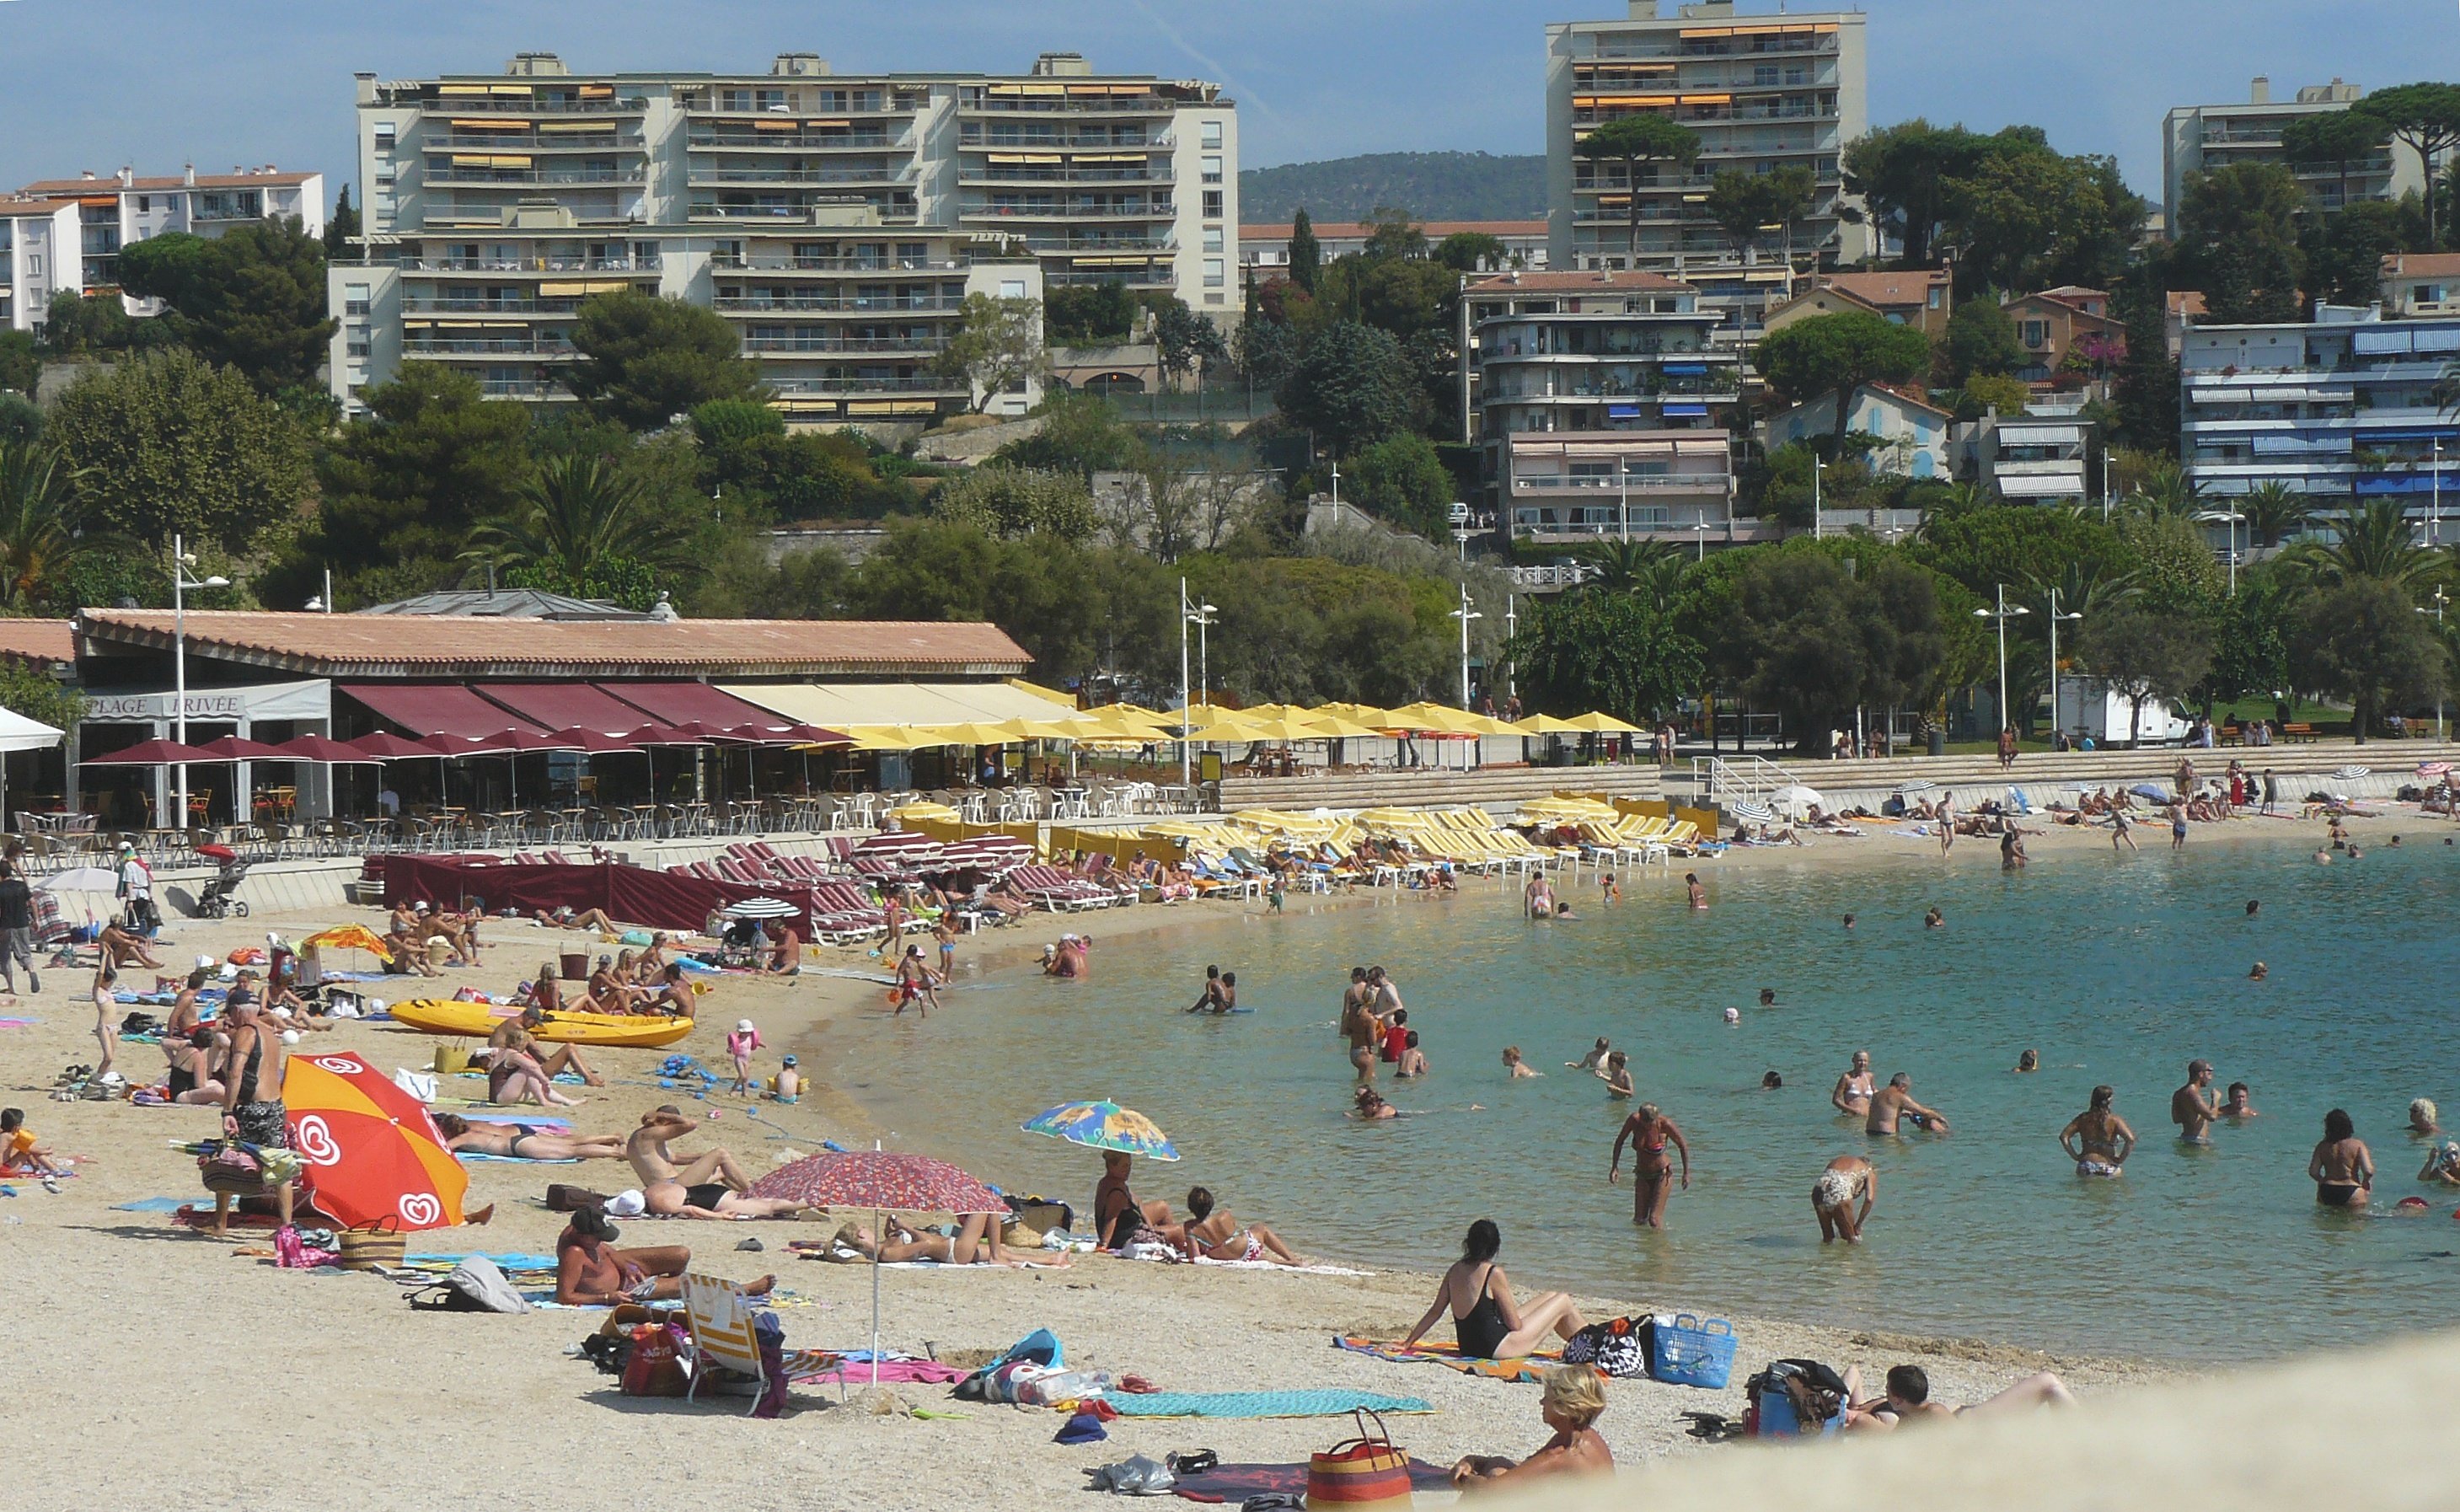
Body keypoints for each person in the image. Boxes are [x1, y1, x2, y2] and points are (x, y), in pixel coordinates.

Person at [1402, 1220, 1588, 1360]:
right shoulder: (1493, 1273)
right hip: (1498, 1349)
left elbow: (1435, 1312)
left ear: (1468, 1243)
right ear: (1495, 1247)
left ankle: (1588, 1344)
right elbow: (1515, 1325)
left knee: (1550, 1296)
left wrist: (1407, 1343)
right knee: (1562, 1300)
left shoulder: (1455, 1270)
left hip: (1470, 1347)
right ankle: (1593, 1346)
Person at [1449, 1365, 1614, 1491]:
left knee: (1495, 1475)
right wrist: (1473, 1461)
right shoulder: (1586, 1438)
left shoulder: (1563, 1453)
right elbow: (1528, 1467)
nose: (1541, 1402)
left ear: (1562, 1408)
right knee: (1498, 1464)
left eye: (1546, 1398)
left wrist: (1462, 1478)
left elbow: (1490, 1490)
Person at [216, 995, 293, 1233]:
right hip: (275, 1105)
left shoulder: (246, 1033)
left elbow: (235, 1073)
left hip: (253, 1107)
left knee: (227, 1159)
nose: (229, 1018)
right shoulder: (270, 1032)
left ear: (239, 1010)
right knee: (280, 1165)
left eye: (231, 1012)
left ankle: (220, 1224)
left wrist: (227, 1110)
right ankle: (287, 1227)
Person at [1845, 1364, 2075, 1429]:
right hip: (1976, 1421)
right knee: (2046, 1384)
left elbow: (1960, 1441)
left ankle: (2083, 1431)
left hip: (1979, 1419)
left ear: (1898, 1399)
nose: (1884, 1392)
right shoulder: (1907, 1417)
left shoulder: (1933, 1412)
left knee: (2048, 1382)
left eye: (1887, 1389)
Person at [553, 1207, 703, 1306]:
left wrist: (626, 1267)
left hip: (621, 1267)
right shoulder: (574, 1253)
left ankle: (667, 1288)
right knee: (690, 1283)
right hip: (625, 1289)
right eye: (598, 1238)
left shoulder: (580, 1231)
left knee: (681, 1254)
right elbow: (564, 1296)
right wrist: (606, 1298)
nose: (601, 1241)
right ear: (583, 1236)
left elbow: (608, 1251)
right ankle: (668, 1288)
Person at [1179, 1185, 1308, 1264]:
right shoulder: (1225, 1215)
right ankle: (1292, 1259)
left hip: (1227, 1257)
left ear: (1191, 1208)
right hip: (1247, 1247)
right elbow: (1235, 1233)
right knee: (1260, 1228)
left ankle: (1286, 1263)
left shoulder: (1191, 1229)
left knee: (1257, 1257)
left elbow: (1195, 1257)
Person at [1611, 1102, 1691, 1226]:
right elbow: (1620, 1141)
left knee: (1654, 1220)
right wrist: (1615, 1167)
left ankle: (1661, 1245)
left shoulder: (1665, 1125)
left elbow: (1682, 1145)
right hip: (1642, 1174)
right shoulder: (1634, 1121)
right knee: (1639, 1221)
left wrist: (1686, 1173)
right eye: (1645, 1123)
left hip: (1662, 1174)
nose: (1648, 1127)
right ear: (1640, 1118)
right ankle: (1643, 1245)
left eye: (1651, 1123)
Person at [434, 1113, 624, 1161]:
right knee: (570, 1142)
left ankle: (616, 1153)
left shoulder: (464, 1138)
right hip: (517, 1131)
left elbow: (443, 1149)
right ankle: (610, 1137)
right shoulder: (470, 1124)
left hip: (518, 1146)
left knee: (571, 1151)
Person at [1094, 1150, 1179, 1249]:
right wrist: (1104, 1245)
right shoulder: (1116, 1193)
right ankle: (1176, 1246)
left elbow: (1138, 1203)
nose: (1128, 1170)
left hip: (1130, 1224)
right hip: (1126, 1239)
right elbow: (1110, 1220)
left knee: (1163, 1207)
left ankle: (1167, 1244)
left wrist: (1150, 1228)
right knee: (1178, 1230)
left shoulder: (1111, 1182)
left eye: (1129, 1165)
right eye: (1124, 1166)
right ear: (1112, 1166)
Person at [2059, 1086, 2138, 1177]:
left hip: (2086, 1165)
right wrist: (2120, 1159)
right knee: (2115, 1189)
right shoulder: (2114, 1120)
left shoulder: (2083, 1118)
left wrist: (2075, 1156)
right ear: (2108, 1100)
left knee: (2085, 1190)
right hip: (2109, 1166)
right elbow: (2130, 1140)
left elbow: (2064, 1136)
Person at [2311, 1108, 2375, 1209]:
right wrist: (2366, 1181)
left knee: (2326, 1224)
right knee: (2355, 1224)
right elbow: (2368, 1171)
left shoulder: (2322, 1146)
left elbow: (2313, 1172)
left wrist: (2322, 1180)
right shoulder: (2357, 1145)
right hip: (2351, 1189)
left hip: (2327, 1190)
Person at [1810, 1155, 1876, 1242]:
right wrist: (1858, 1225)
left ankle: (1825, 1255)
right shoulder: (1868, 1170)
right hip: (1840, 1187)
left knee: (1827, 1239)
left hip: (1819, 1189)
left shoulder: (1840, 1161)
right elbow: (1869, 1199)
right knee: (1853, 1240)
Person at [1868, 1072, 1948, 1135]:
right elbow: (1924, 1112)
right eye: (1907, 1089)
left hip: (1870, 1133)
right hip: (1886, 1136)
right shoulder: (1899, 1096)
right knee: (1906, 1153)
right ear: (1903, 1086)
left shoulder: (1877, 1095)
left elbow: (1883, 1113)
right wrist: (1940, 1118)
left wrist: (1900, 1113)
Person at [0, 861, 35, 995]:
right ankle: (31, 971)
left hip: (5, 926)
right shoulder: (21, 886)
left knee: (4, 957)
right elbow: (32, 902)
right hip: (23, 924)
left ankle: (10, 987)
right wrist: (36, 920)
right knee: (25, 952)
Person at [2172, 1059, 2225, 1144]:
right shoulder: (2192, 1093)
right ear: (2201, 1074)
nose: (2210, 1078)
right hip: (2196, 1141)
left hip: (2186, 1138)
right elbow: (2212, 1117)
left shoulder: (2178, 1093)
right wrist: (2216, 1099)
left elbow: (2176, 1119)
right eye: (2209, 1074)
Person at [0, 1107, 62, 1178]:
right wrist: (45, 1151)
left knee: (25, 1149)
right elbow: (30, 1149)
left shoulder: (3, 1133)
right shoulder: (10, 1136)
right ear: (16, 1126)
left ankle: (37, 1168)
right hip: (4, 1170)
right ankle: (53, 1169)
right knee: (26, 1151)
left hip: (4, 1167)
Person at [88, 964, 118, 1080]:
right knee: (108, 1057)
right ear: (103, 980)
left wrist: (110, 953)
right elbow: (101, 973)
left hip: (114, 1027)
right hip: (104, 1026)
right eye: (109, 981)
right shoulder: (97, 991)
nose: (111, 984)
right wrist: (104, 955)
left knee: (111, 1059)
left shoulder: (107, 990)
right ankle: (97, 1080)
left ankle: (105, 1079)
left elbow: (113, 969)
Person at [97, 920, 163, 972]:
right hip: (107, 961)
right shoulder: (110, 932)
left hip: (112, 957)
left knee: (131, 947)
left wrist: (140, 938)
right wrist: (138, 945)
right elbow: (124, 941)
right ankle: (147, 964)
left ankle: (151, 962)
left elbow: (128, 936)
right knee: (128, 945)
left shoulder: (113, 929)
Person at [1831, 1050, 1875, 1118]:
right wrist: (1853, 1111)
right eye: (1860, 1060)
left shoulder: (1870, 1076)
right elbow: (1836, 1100)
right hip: (1851, 1118)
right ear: (1853, 1061)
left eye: (1865, 1061)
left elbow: (1875, 1092)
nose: (1863, 1063)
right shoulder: (1847, 1078)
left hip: (1867, 1117)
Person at [726, 1018, 763, 1096]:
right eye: (744, 1033)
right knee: (742, 1076)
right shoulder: (737, 1040)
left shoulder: (749, 1038)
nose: (746, 1034)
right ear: (740, 1032)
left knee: (746, 1078)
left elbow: (756, 1042)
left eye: (748, 1033)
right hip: (739, 1059)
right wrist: (729, 1049)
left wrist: (763, 1045)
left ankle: (744, 1092)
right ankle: (733, 1090)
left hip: (746, 1060)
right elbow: (731, 1047)